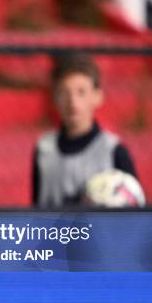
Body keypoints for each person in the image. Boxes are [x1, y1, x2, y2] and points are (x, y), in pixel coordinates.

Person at [32, 53, 138, 207]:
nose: (73, 102)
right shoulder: (44, 150)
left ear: (98, 96)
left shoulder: (114, 151)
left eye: (81, 92)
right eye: (64, 93)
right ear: (54, 98)